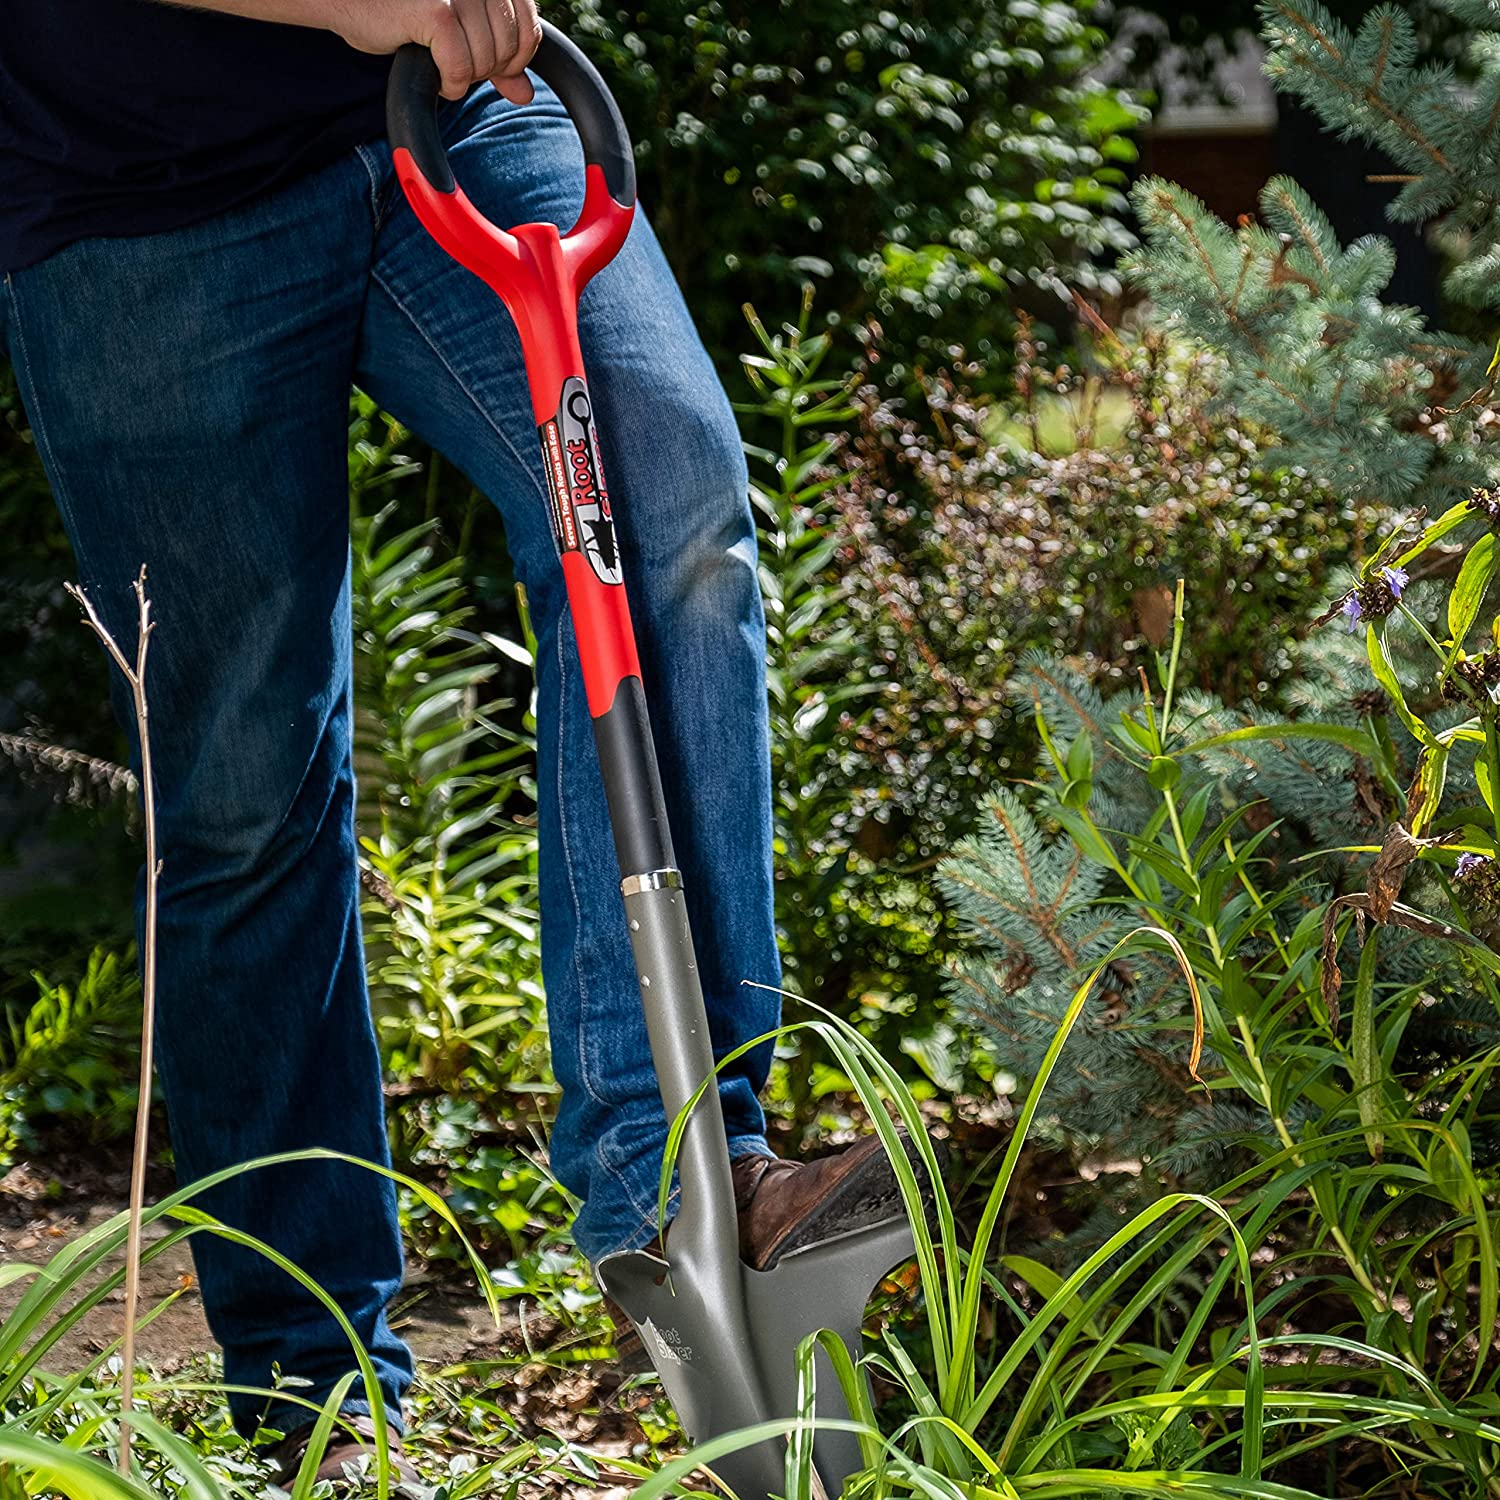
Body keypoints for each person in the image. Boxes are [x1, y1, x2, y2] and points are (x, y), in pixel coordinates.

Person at [0, 0, 906, 1481]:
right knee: (243, 791)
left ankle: (681, 1169)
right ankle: (316, 1388)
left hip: (452, 113)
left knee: (667, 512)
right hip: (134, 203)